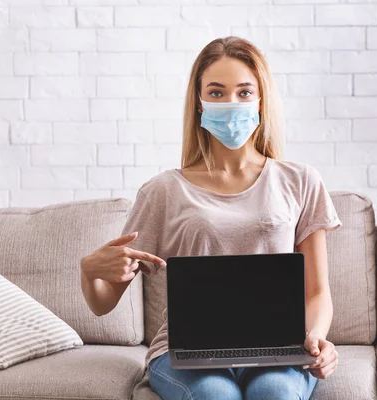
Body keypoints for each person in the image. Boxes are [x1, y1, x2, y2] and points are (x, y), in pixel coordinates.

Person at [80, 36, 343, 400]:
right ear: (200, 104)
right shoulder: (163, 191)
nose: (231, 104)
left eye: (244, 93)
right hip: (185, 354)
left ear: (261, 101)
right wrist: (90, 271)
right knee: (216, 395)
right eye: (217, 93)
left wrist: (315, 337)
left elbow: (316, 291)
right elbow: (103, 302)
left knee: (275, 392)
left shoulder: (300, 181)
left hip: (277, 348)